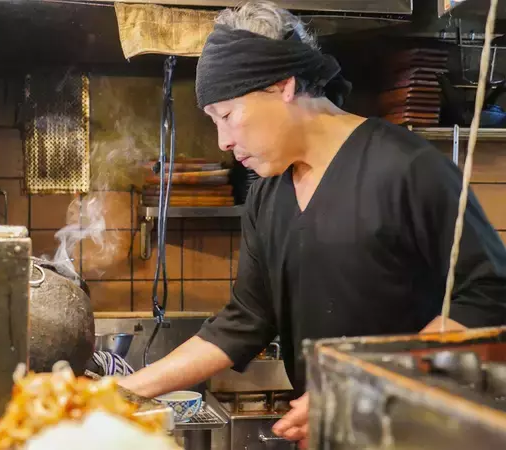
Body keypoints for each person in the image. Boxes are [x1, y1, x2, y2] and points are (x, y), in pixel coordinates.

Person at [118, 1, 506, 448]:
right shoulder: (267, 193)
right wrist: (121, 393)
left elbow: (489, 295)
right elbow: (246, 320)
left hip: (419, 435)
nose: (223, 140)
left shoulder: (408, 167)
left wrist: (363, 391)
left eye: (226, 115)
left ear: (282, 86)